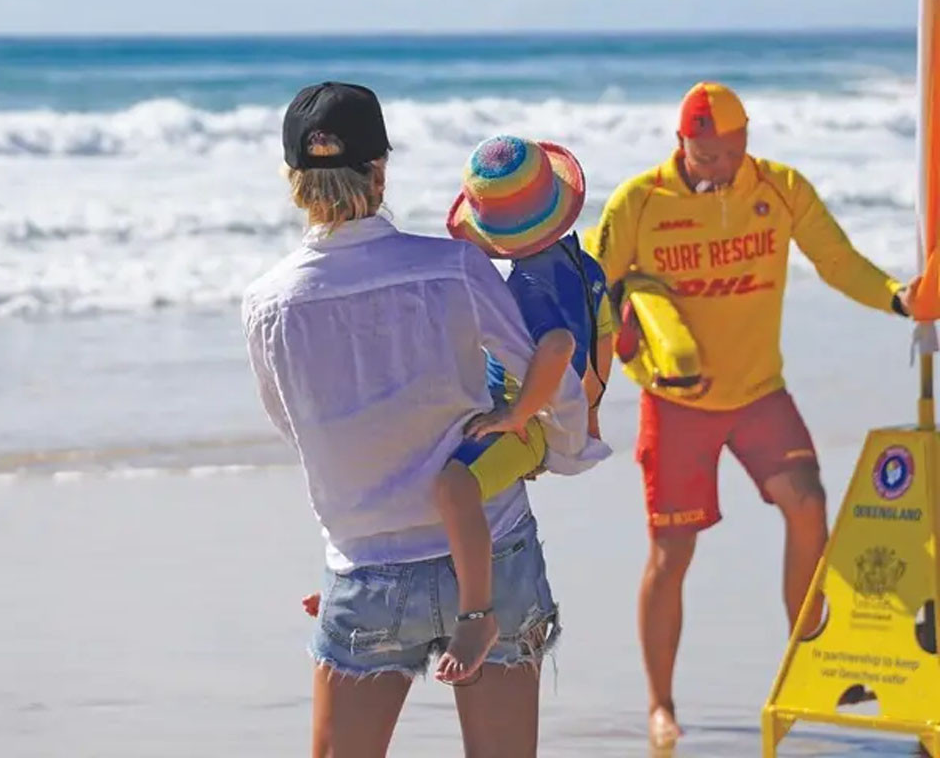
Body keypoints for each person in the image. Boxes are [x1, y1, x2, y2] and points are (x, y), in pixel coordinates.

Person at [243, 82, 603, 758]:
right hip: (493, 549)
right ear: (380, 170)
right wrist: (557, 449)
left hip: (367, 567)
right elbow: (543, 380)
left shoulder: (268, 303)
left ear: (294, 179)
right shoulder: (456, 268)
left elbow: (298, 430)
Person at [586, 81, 918, 749]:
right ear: (680, 144)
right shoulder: (641, 202)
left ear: (745, 141)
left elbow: (835, 261)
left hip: (760, 394)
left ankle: (811, 657)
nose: (711, 167)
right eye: (699, 155)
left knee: (808, 502)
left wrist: (897, 300)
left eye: (724, 155)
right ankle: (661, 704)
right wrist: (605, 355)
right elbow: (590, 287)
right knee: (672, 552)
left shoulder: (781, 188)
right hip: (677, 405)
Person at [433, 134, 615, 684]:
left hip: (526, 422)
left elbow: (558, 345)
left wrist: (519, 417)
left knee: (450, 484)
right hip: (552, 414)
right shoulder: (580, 262)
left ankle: (473, 616)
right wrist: (588, 412)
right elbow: (603, 338)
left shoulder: (531, 284)